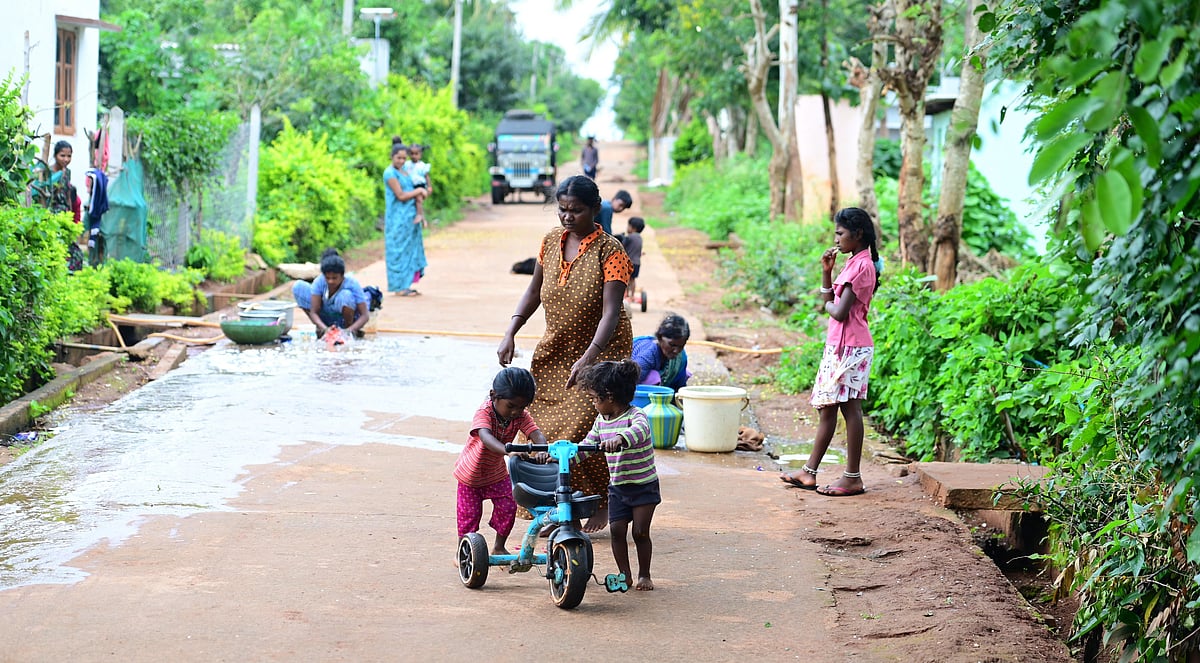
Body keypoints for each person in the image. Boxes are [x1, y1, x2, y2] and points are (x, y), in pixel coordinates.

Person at [497, 175, 634, 533]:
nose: (567, 216)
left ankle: (603, 499)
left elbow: (611, 311)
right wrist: (511, 330)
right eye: (562, 209)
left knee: (580, 429)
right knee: (538, 430)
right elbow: (533, 291)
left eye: (576, 210)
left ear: (594, 209)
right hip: (557, 348)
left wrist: (590, 357)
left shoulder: (611, 251)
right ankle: (555, 506)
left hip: (602, 356)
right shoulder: (549, 242)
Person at [779, 207, 880, 497]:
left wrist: (827, 303)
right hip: (839, 345)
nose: (836, 238)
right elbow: (832, 299)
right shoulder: (853, 263)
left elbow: (837, 311)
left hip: (851, 346)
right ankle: (809, 473)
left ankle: (852, 477)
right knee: (827, 408)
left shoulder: (862, 266)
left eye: (840, 233)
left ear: (857, 234)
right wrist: (826, 273)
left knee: (850, 409)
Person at [576, 359, 660, 591]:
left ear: (609, 396)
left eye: (594, 398)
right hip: (618, 488)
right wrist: (565, 455)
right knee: (617, 531)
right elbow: (588, 445)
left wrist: (620, 439)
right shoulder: (600, 422)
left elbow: (640, 431)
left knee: (640, 532)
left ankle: (645, 574)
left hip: (643, 486)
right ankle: (625, 575)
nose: (593, 404)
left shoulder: (636, 415)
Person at [453, 367, 550, 556]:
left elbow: (535, 433)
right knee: (469, 518)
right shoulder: (485, 411)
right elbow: (485, 437)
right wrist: (510, 450)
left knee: (508, 507)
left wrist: (542, 449)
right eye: (511, 405)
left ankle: (498, 547)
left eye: (521, 407)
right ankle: (462, 553)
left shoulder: (520, 415)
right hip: (470, 476)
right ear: (493, 395)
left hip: (496, 474)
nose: (515, 412)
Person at [292, 248, 370, 339]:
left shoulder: (352, 283)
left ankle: (348, 331)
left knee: (346, 296)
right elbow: (314, 312)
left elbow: (365, 315)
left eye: (334, 278)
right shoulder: (319, 281)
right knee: (298, 287)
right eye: (327, 278)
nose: (330, 281)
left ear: (342, 275)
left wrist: (348, 331)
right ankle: (320, 327)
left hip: (343, 320)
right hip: (326, 316)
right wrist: (325, 329)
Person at [31, 140, 84, 270]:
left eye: (69, 156)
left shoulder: (67, 172)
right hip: (52, 217)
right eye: (62, 155)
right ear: (55, 156)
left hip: (65, 218)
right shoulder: (46, 173)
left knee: (75, 254)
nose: (66, 159)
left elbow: (68, 197)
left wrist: (71, 220)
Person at [383, 143, 428, 296]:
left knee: (409, 251)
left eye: (404, 158)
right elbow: (401, 196)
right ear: (392, 157)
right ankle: (399, 286)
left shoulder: (406, 171)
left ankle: (406, 284)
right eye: (398, 158)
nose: (401, 161)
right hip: (397, 219)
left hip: (410, 219)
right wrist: (419, 191)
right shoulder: (390, 174)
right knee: (398, 251)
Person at [631, 313, 691, 390]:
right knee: (653, 377)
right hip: (635, 388)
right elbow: (628, 383)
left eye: (681, 346)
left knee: (685, 372)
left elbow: (680, 387)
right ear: (660, 338)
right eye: (672, 345)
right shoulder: (648, 354)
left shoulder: (681, 357)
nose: (676, 351)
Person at [404, 143, 432, 226]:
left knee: (418, 199)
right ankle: (421, 217)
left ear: (420, 154)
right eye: (412, 154)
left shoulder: (422, 165)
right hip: (410, 186)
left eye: (416, 154)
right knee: (414, 202)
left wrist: (429, 186)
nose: (414, 156)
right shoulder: (407, 164)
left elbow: (426, 176)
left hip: (420, 185)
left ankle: (420, 216)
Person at [620, 216, 645, 300]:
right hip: (637, 263)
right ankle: (632, 295)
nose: (627, 228)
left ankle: (625, 295)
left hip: (628, 262)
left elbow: (622, 247)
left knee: (626, 280)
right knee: (632, 280)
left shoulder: (629, 237)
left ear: (633, 228)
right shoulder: (640, 238)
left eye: (628, 226)